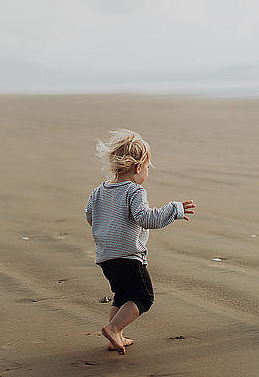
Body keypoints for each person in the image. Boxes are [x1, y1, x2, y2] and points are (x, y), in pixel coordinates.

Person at [85, 128, 195, 355]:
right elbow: (145, 218)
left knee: (122, 295)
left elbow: (89, 215)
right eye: (147, 168)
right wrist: (173, 209)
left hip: (106, 257)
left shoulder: (98, 192)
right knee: (143, 298)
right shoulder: (134, 191)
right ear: (138, 168)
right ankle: (114, 329)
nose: (146, 172)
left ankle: (116, 336)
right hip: (128, 257)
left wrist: (106, 227)